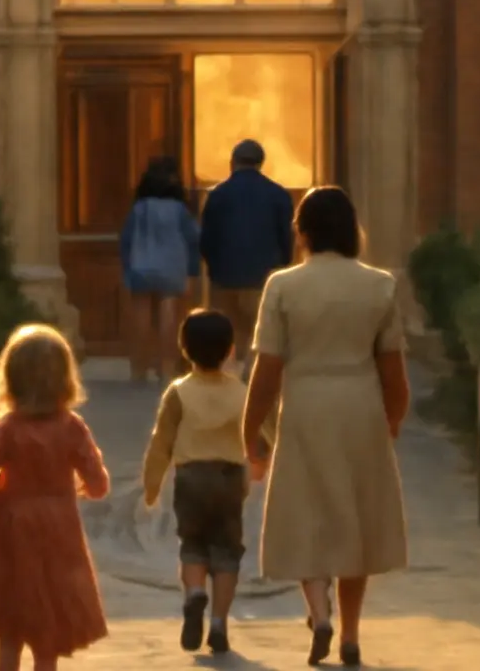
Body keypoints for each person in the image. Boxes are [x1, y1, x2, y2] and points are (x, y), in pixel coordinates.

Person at [242, 186, 410, 668]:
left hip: (306, 404)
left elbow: (267, 368)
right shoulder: (379, 285)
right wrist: (392, 420)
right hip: (360, 404)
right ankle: (352, 634)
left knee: (306, 513)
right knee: (353, 519)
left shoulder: (283, 286)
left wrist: (250, 428)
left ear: (303, 231)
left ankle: (318, 614)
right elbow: (393, 371)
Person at [0, 324, 110, 671]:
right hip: (59, 530)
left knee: (10, 623)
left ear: (9, 377)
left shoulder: (4, 427)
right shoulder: (72, 426)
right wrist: (89, 487)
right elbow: (97, 481)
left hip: (10, 528)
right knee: (48, 626)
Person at [141, 309, 249, 656]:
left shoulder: (179, 392)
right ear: (230, 349)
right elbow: (264, 428)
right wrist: (268, 457)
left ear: (183, 348)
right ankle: (219, 623)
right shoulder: (240, 392)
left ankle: (193, 593)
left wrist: (152, 485)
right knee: (227, 550)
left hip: (191, 477)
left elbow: (162, 442)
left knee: (192, 544)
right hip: (231, 477)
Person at [199, 139, 294, 377]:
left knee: (227, 329)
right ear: (261, 163)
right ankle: (251, 374)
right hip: (264, 276)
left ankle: (227, 373)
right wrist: (283, 265)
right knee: (259, 330)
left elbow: (207, 238)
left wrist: (212, 267)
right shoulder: (278, 194)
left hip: (225, 275)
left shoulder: (218, 194)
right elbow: (287, 237)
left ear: (233, 162)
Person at [120, 157, 201, 382]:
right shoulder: (179, 210)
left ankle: (138, 368)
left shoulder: (138, 209)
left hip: (140, 265)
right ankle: (166, 368)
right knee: (169, 316)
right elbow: (194, 239)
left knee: (141, 318)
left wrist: (126, 267)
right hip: (172, 266)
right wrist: (192, 271)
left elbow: (125, 240)